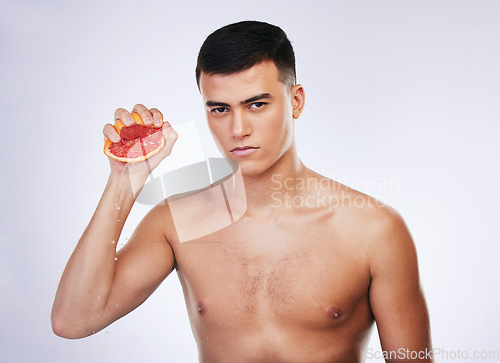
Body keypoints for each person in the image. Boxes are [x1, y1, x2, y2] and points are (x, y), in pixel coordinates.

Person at [51, 21, 433, 362]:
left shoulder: (373, 229)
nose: (237, 129)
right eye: (219, 109)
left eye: (256, 105)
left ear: (295, 100)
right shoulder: (177, 222)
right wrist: (124, 180)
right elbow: (73, 320)